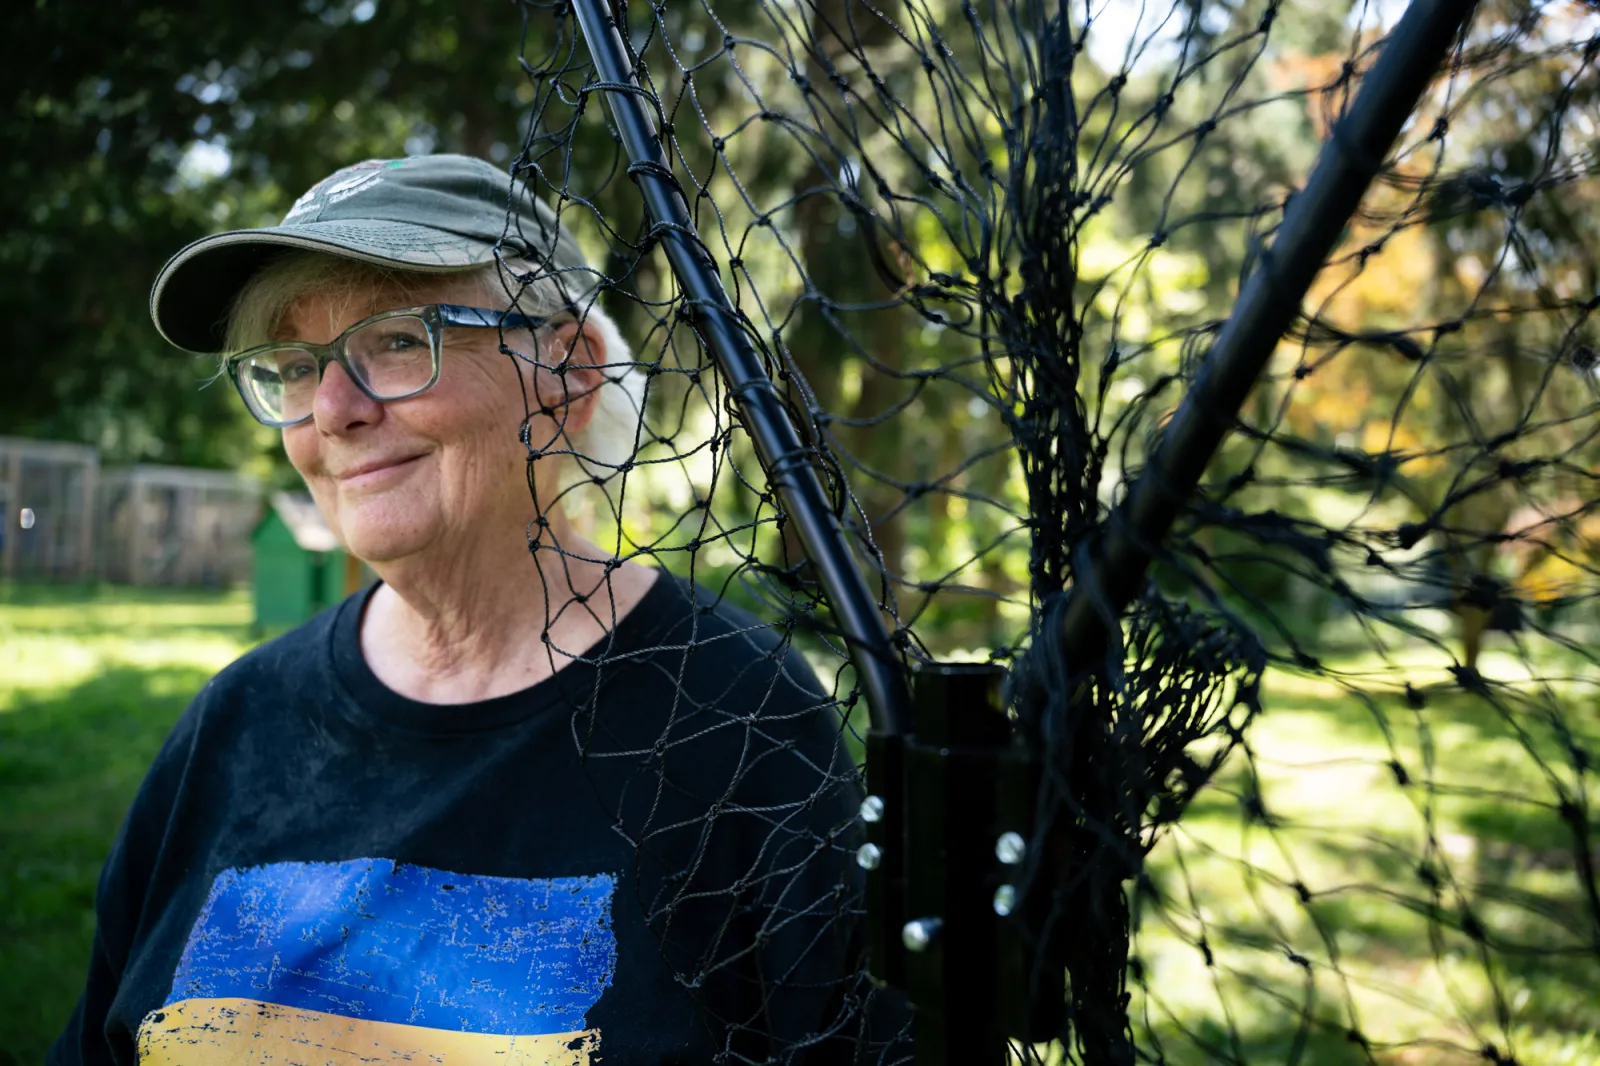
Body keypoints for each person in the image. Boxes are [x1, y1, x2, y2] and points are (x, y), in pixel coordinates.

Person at [50, 154, 901, 1065]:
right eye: (294, 366)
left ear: (568, 372)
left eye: (401, 339)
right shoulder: (233, 723)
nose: (333, 410)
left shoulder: (739, 714)